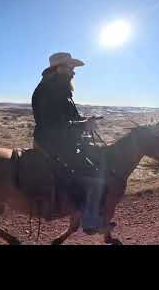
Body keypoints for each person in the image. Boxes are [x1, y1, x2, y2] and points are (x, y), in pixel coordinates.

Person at [31, 52, 105, 234]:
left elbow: (68, 117)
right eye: (70, 68)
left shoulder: (59, 88)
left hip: (59, 140)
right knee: (95, 178)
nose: (74, 72)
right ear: (59, 68)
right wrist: (83, 125)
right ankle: (89, 222)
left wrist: (85, 120)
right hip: (54, 143)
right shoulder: (50, 89)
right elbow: (54, 124)